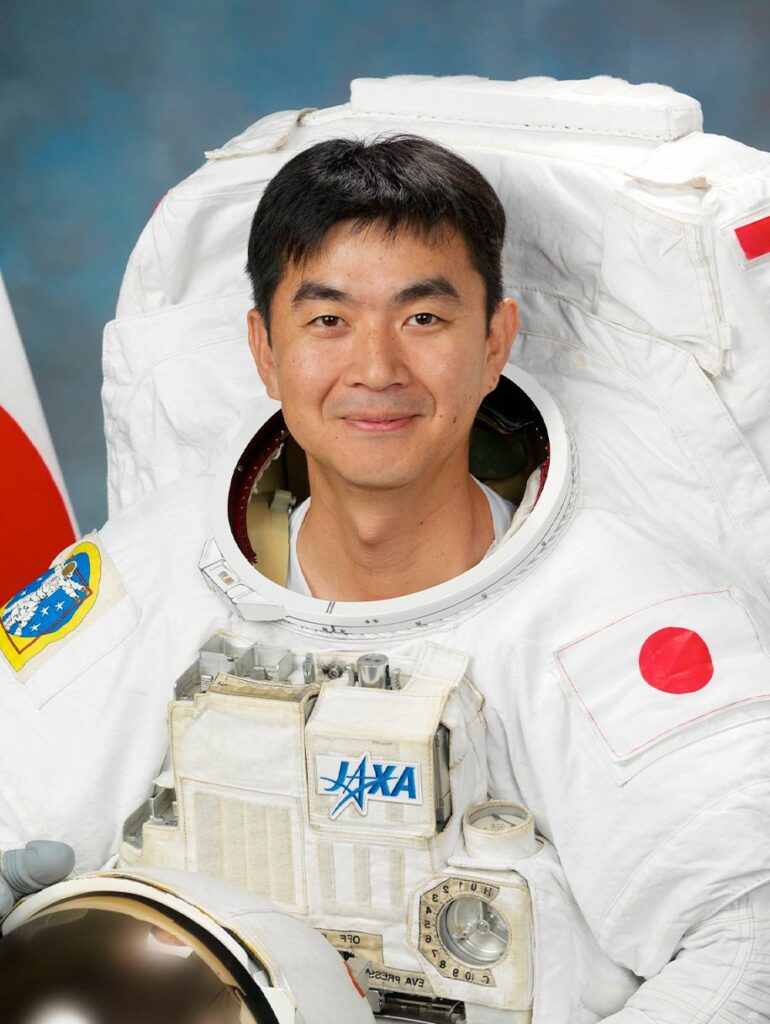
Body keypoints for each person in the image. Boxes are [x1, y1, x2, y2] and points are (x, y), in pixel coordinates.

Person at [1, 134, 768, 1023]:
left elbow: (747, 941)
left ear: (495, 342)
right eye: (328, 320)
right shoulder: (154, 573)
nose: (376, 369)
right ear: (265, 349)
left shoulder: (615, 616)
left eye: (423, 318)